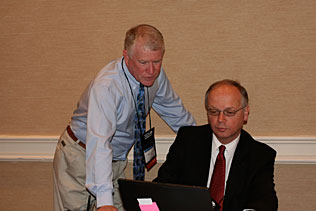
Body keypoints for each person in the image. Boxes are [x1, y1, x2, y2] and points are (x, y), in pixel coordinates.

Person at [53, 24, 196, 211]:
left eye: (157, 61)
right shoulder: (107, 87)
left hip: (115, 162)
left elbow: (176, 113)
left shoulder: (155, 78)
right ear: (126, 57)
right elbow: (99, 142)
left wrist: (204, 142)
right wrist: (104, 202)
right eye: (143, 62)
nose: (151, 70)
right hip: (81, 157)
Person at [153, 79, 278, 211]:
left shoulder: (259, 155)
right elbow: (161, 187)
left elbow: (265, 203)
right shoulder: (188, 140)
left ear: (245, 113)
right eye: (214, 112)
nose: (220, 119)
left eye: (229, 112)